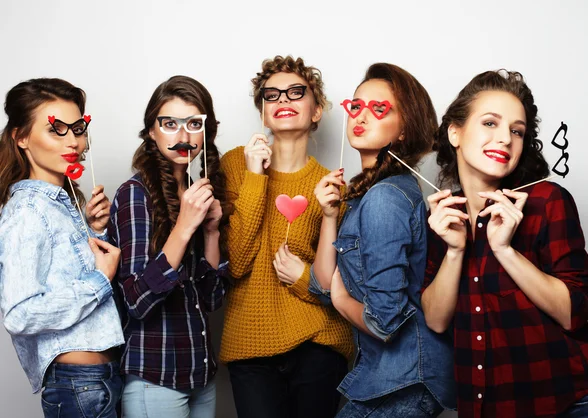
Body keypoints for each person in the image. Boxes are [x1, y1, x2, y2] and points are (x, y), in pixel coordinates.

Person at [422, 69, 588, 417]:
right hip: (490, 407)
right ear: (455, 132)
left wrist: (505, 250)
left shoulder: (546, 200)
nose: (505, 138)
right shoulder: (444, 217)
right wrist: (455, 251)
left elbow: (573, 312)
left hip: (572, 402)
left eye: (516, 130)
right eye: (490, 123)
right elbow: (436, 320)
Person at [311, 63, 455, 417]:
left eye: (379, 108)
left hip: (405, 377)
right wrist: (330, 218)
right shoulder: (365, 194)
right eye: (356, 106)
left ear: (404, 129)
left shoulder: (385, 197)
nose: (361, 116)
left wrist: (342, 301)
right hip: (388, 377)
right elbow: (320, 285)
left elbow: (384, 321)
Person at [220, 55, 353, 418]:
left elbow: (346, 285)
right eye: (272, 95)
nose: (283, 101)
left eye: (296, 92)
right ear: (263, 111)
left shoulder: (331, 186)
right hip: (250, 343)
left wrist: (304, 279)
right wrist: (254, 176)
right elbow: (238, 262)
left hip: (319, 342)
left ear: (317, 110)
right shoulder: (234, 165)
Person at [0, 78, 124, 417]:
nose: (73, 141)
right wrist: (99, 282)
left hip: (100, 379)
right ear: (21, 137)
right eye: (56, 130)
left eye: (78, 128)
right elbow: (19, 314)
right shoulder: (27, 211)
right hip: (79, 384)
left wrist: (96, 230)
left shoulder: (60, 206)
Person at [109, 75, 227, 418]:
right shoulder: (136, 193)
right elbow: (136, 300)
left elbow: (212, 299)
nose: (183, 136)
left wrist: (211, 232)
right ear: (151, 131)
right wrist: (184, 225)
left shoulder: (195, 191)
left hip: (200, 374)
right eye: (170, 124)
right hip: (155, 378)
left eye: (193, 124)